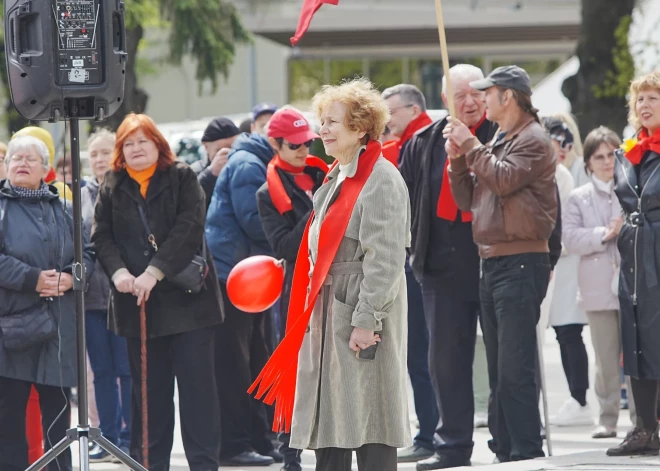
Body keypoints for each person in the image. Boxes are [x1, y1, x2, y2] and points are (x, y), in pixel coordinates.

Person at [250, 77, 412, 471]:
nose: (321, 129)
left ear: (360, 127)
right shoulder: (336, 175)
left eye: (332, 122)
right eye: (321, 120)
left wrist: (366, 321)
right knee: (332, 429)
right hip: (329, 312)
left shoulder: (380, 179)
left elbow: (385, 260)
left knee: (371, 424)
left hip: (359, 313)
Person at [92, 113, 224, 470]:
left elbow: (189, 228)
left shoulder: (181, 177)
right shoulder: (113, 183)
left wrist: (154, 271)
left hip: (189, 305)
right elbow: (101, 235)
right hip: (138, 306)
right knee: (149, 399)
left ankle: (204, 464)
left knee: (198, 396)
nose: (135, 149)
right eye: (128, 144)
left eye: (142, 141)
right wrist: (119, 272)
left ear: (158, 144)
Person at [446, 65, 557, 462]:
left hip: (521, 261)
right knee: (498, 370)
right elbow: (467, 199)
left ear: (507, 96)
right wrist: (458, 159)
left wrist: (471, 148)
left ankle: (525, 450)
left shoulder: (534, 139)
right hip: (492, 262)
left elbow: (505, 180)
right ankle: (505, 448)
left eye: (487, 92)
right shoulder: (502, 138)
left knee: (514, 369)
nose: (481, 100)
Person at [400, 64, 498, 469]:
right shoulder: (424, 142)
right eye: (460, 95)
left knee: (503, 357)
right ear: (445, 100)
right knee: (445, 359)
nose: (470, 101)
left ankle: (508, 440)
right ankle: (453, 444)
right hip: (440, 265)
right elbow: (403, 201)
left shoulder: (503, 136)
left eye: (477, 92)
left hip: (494, 261)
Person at [0, 135, 94, 471]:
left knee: (57, 415)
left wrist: (71, 277)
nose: (21, 163)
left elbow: (89, 255)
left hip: (58, 327)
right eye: (15, 158)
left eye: (30, 158)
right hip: (10, 329)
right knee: (8, 415)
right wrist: (33, 278)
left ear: (47, 169)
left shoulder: (66, 210)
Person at [256, 107, 327, 471]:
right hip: (297, 286)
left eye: (307, 143)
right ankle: (290, 453)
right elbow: (284, 247)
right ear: (275, 144)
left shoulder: (323, 172)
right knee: (295, 368)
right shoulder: (267, 192)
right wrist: (318, 207)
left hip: (333, 278)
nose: (304, 150)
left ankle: (334, 445)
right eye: (295, 145)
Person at [205, 118, 279, 467]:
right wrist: (296, 232)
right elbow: (255, 219)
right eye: (296, 145)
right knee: (235, 365)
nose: (303, 152)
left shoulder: (254, 160)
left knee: (256, 360)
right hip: (232, 279)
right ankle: (235, 445)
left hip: (250, 277)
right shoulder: (250, 165)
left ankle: (260, 439)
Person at [376, 84, 439, 465]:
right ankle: (431, 430)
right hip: (410, 262)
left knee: (421, 355)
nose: (386, 120)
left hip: (417, 264)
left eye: (391, 112)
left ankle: (431, 432)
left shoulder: (421, 142)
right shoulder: (402, 144)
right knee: (417, 355)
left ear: (413, 109)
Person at [563, 126, 637, 439]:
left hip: (634, 286)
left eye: (612, 154)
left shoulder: (633, 188)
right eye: (599, 156)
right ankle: (607, 418)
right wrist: (606, 233)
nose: (607, 162)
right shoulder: (578, 197)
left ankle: (642, 419)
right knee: (605, 357)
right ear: (589, 163)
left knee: (638, 356)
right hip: (597, 286)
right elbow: (570, 238)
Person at [609, 71, 660, 456]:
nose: (644, 105)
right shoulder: (625, 152)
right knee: (637, 339)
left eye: (653, 98)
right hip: (634, 254)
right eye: (640, 99)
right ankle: (643, 428)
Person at [81, 129, 132, 462]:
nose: (100, 159)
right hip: (92, 298)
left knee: (126, 370)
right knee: (101, 370)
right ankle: (108, 436)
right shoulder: (78, 196)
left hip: (125, 295)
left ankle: (129, 437)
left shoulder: (129, 190)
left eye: (105, 152)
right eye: (94, 154)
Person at [540, 118, 592, 427]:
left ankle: (580, 397)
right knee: (564, 332)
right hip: (560, 263)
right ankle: (577, 397)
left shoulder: (573, 173)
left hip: (570, 262)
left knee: (569, 331)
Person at [192, 117, 241, 208]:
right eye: (220, 150)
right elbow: (190, 203)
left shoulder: (246, 165)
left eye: (233, 148)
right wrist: (210, 174)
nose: (228, 155)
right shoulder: (193, 172)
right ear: (206, 146)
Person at [13, 127, 72, 201]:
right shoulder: (5, 192)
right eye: (17, 158)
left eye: (31, 158)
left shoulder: (60, 191)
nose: (23, 164)